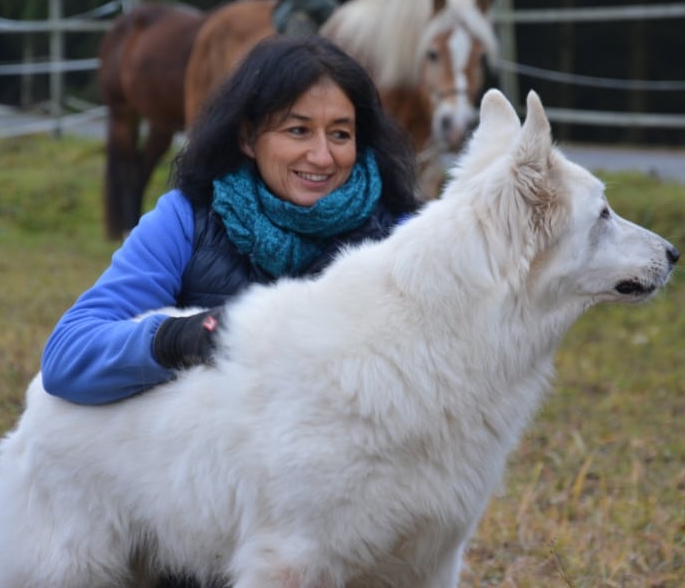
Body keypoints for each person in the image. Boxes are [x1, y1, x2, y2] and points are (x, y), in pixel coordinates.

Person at [40, 34, 420, 406]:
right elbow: (67, 356)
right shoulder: (186, 220)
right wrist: (185, 338)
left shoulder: (403, 237)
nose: (322, 157)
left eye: (340, 134)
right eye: (298, 130)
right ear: (248, 138)